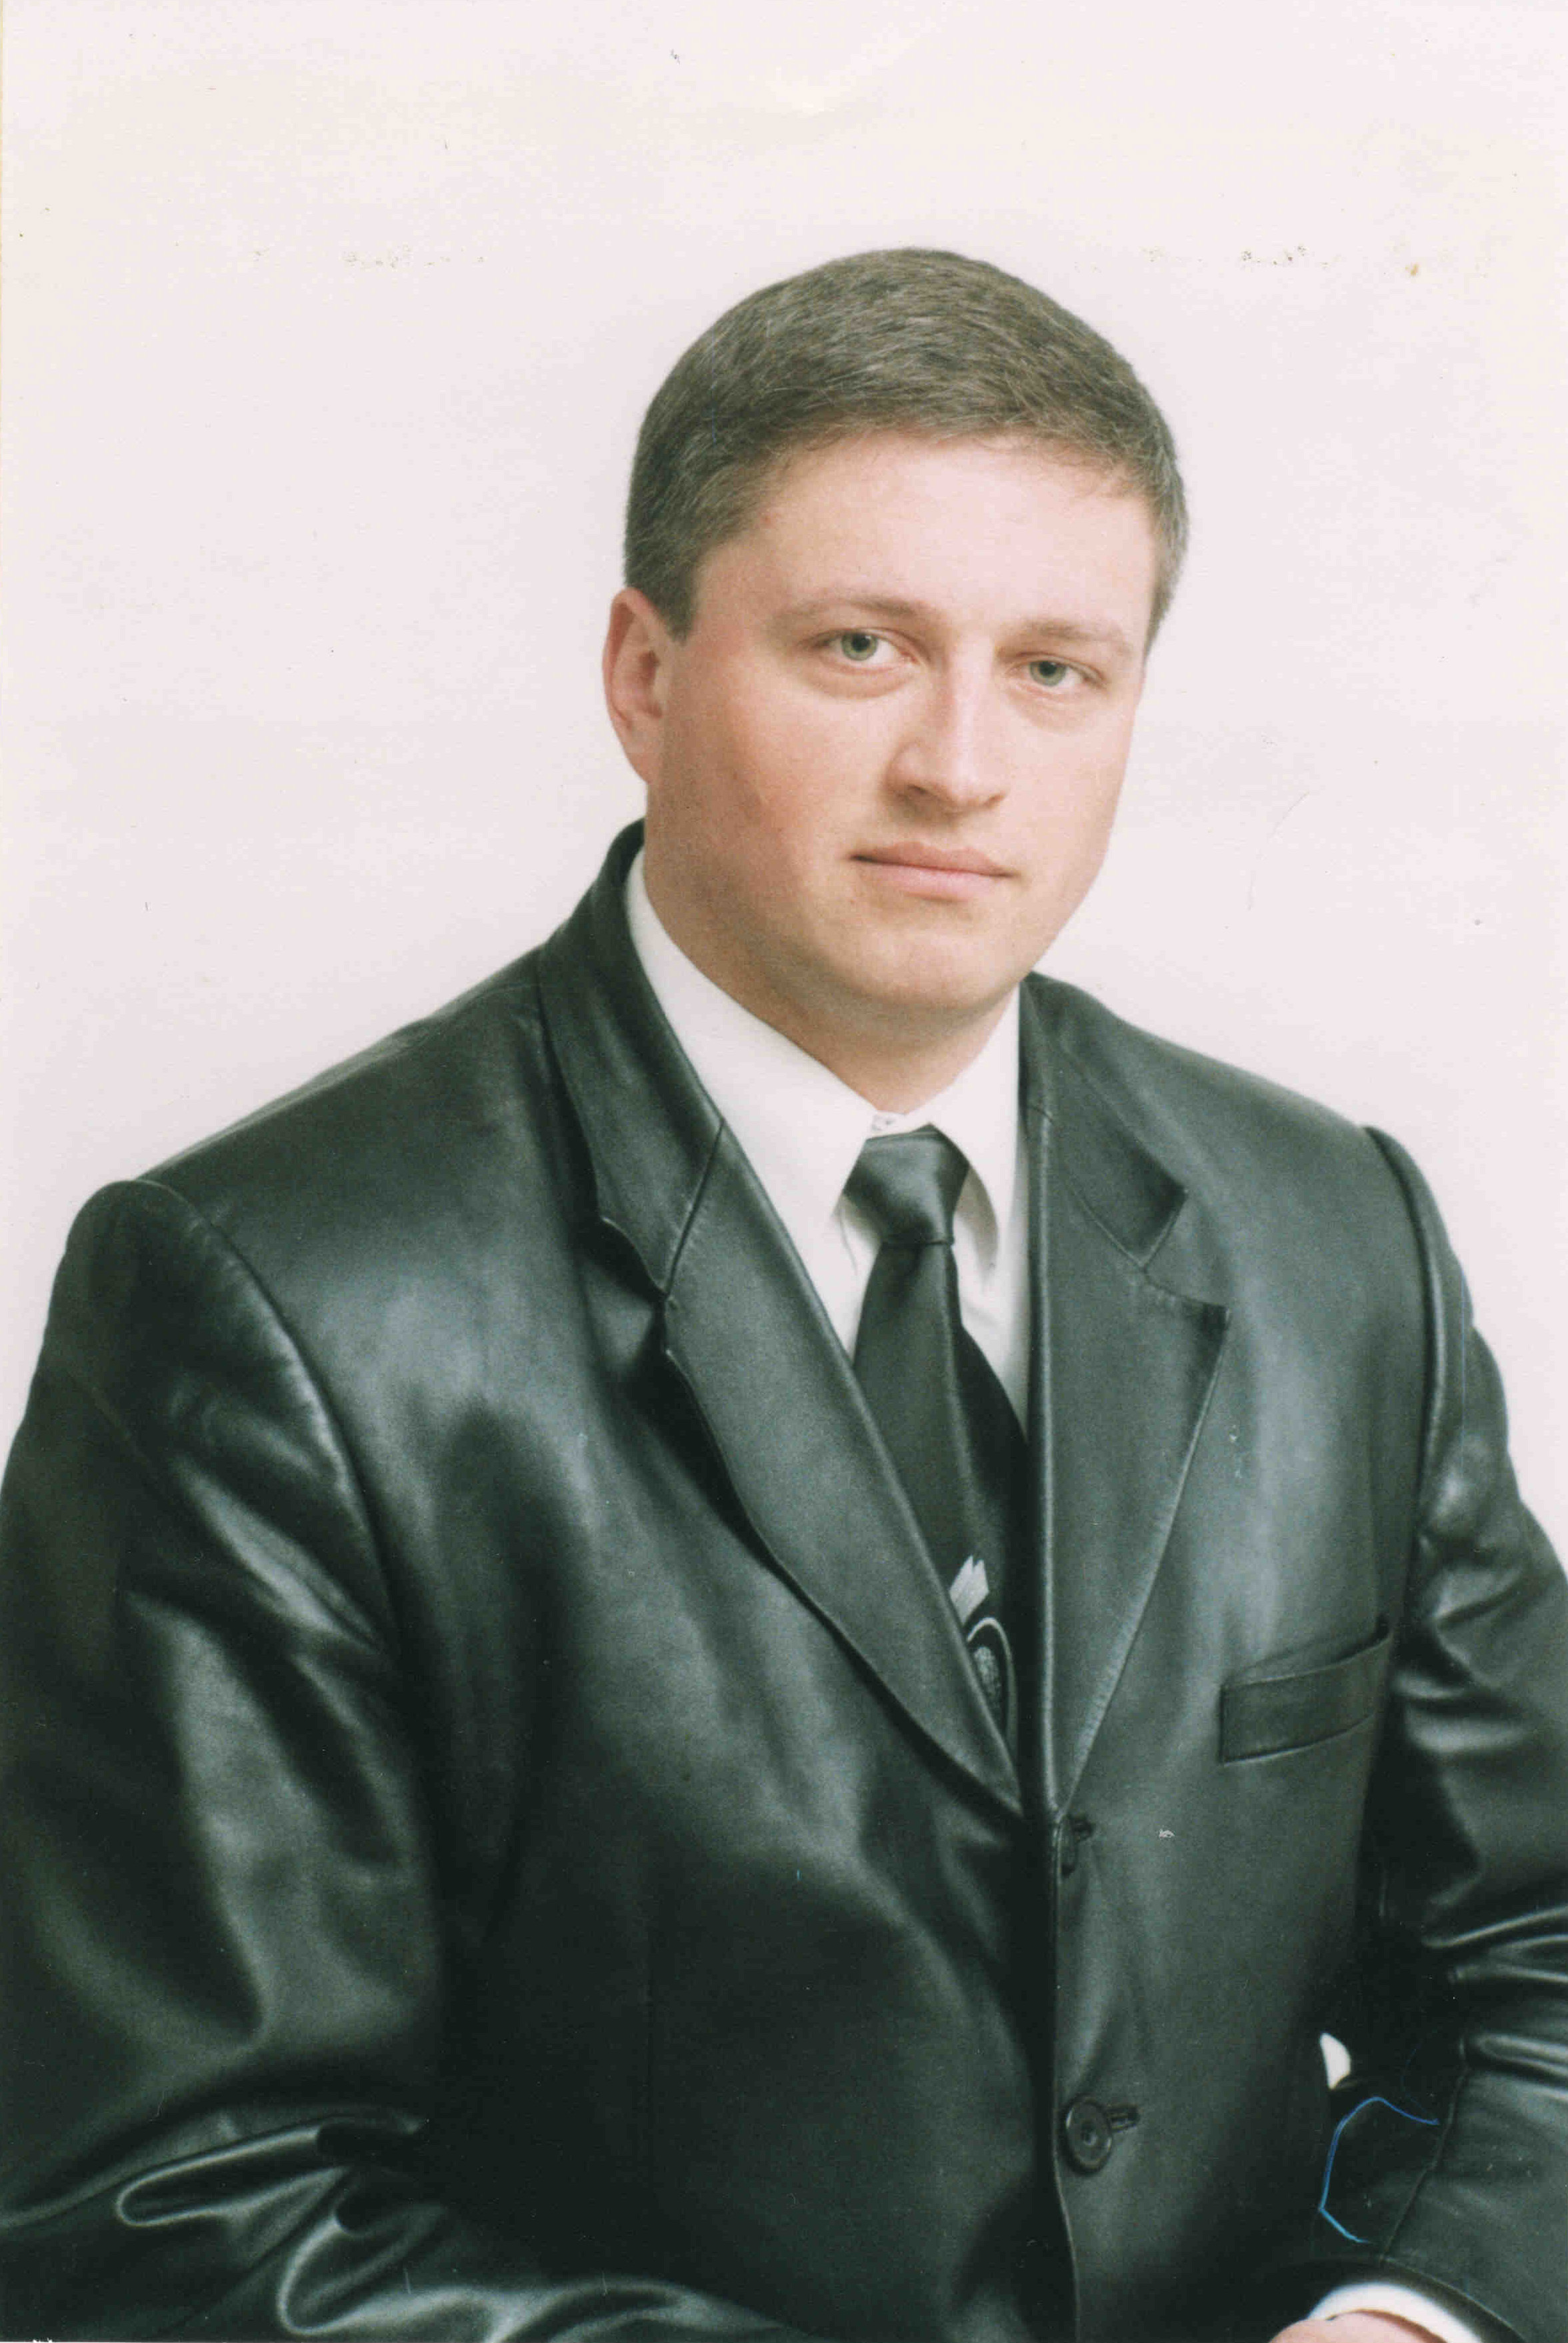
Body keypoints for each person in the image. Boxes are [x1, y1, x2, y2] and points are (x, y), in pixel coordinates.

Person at [0, 248, 1563, 2343]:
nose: (961, 764)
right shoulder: (265, 1305)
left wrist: (1416, 2318)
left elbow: (1542, 1946)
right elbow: (168, 2208)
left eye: (1057, 669)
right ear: (642, 672)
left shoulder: (1332, 1232)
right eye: (861, 646)